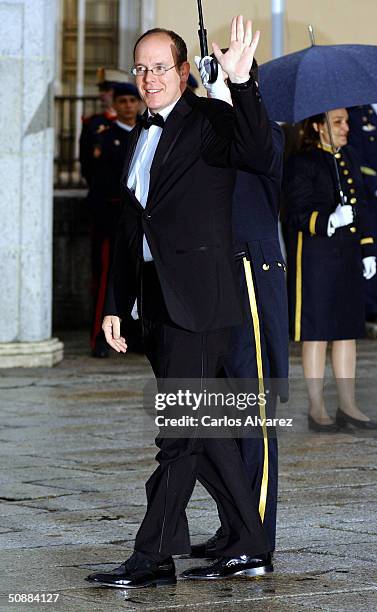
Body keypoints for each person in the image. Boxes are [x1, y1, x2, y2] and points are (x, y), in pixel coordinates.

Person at [86, 16, 277, 589]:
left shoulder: (210, 121)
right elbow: (131, 223)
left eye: (159, 68)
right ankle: (251, 544)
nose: (148, 78)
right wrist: (117, 303)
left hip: (203, 304)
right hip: (159, 305)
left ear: (184, 70)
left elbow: (259, 150)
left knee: (180, 433)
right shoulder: (139, 134)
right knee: (211, 436)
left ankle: (153, 558)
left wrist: (241, 83)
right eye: (140, 69)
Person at [189, 56, 288, 561]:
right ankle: (237, 524)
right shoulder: (203, 137)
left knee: (251, 419)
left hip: (249, 277)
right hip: (206, 285)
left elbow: (251, 144)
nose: (209, 87)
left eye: (218, 79)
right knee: (201, 420)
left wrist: (239, 86)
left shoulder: (264, 134)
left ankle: (256, 541)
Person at [284, 108, 377, 432]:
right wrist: (328, 219)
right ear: (318, 125)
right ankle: (316, 407)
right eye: (338, 121)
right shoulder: (303, 161)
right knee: (317, 333)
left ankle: (349, 405)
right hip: (316, 258)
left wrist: (368, 250)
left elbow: (363, 207)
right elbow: (295, 214)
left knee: (346, 331)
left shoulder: (349, 157)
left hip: (347, 257)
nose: (346, 128)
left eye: (346, 122)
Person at [88, 83, 141, 357]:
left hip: (141, 223)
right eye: (123, 101)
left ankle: (136, 335)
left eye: (133, 100)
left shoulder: (147, 132)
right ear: (115, 105)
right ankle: (101, 336)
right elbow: (96, 179)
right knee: (109, 276)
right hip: (112, 220)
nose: (129, 106)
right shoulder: (105, 137)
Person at [348, 103, 377, 321]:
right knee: (371, 248)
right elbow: (355, 156)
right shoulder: (357, 114)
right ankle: (371, 307)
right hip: (370, 196)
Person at [79, 68, 133, 187]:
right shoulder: (92, 123)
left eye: (107, 89)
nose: (101, 94)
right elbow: (86, 163)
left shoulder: (139, 123)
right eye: (100, 89)